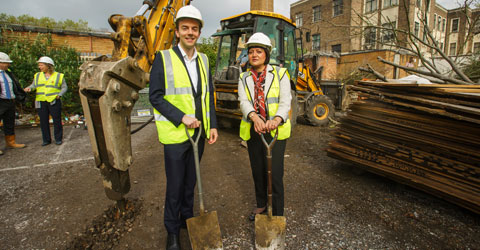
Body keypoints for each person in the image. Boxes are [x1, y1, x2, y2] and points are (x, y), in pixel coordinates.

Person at [148, 5, 218, 250]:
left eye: (194, 29)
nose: (190, 32)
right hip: (176, 135)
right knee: (175, 186)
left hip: (198, 135)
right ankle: (172, 232)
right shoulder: (163, 58)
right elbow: (155, 96)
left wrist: (213, 125)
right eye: (185, 28)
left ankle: (187, 220)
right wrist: (181, 117)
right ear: (177, 31)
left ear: (199, 32)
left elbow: (208, 95)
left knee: (190, 183)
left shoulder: (204, 60)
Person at [237, 32, 292, 221]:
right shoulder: (244, 77)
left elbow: (286, 101)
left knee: (275, 174)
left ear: (266, 54)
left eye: (259, 51)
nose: (254, 55)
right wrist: (254, 117)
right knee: (258, 170)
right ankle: (261, 205)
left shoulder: (280, 73)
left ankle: (276, 213)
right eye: (251, 51)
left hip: (275, 131)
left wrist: (276, 119)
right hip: (254, 131)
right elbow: (243, 101)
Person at [24, 56, 67, 146]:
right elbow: (34, 85)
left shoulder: (58, 75)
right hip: (41, 101)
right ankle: (46, 140)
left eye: (41, 65)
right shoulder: (37, 75)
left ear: (48, 66)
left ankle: (58, 139)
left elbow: (64, 87)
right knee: (43, 121)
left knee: (57, 121)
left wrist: (59, 94)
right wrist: (29, 88)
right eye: (39, 65)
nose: (40, 67)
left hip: (54, 100)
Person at [0, 52, 27, 155]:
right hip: (1, 102)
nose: (8, 65)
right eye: (6, 63)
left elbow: (15, 86)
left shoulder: (9, 74)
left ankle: (10, 142)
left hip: (10, 101)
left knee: (9, 122)